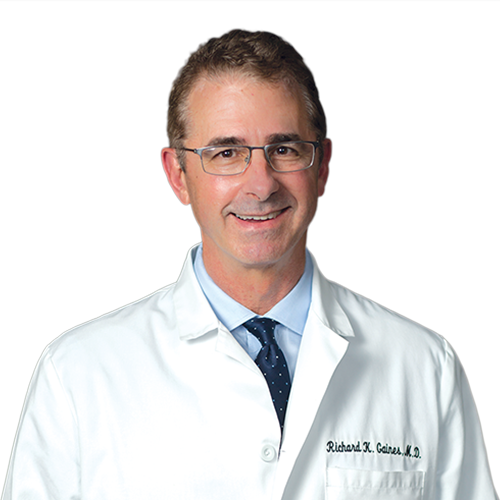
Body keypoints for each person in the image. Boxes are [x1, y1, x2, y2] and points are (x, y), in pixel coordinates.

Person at [2, 29, 497, 500]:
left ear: (321, 166)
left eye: (284, 149)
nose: (260, 185)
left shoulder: (424, 368)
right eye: (226, 152)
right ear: (179, 176)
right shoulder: (77, 375)